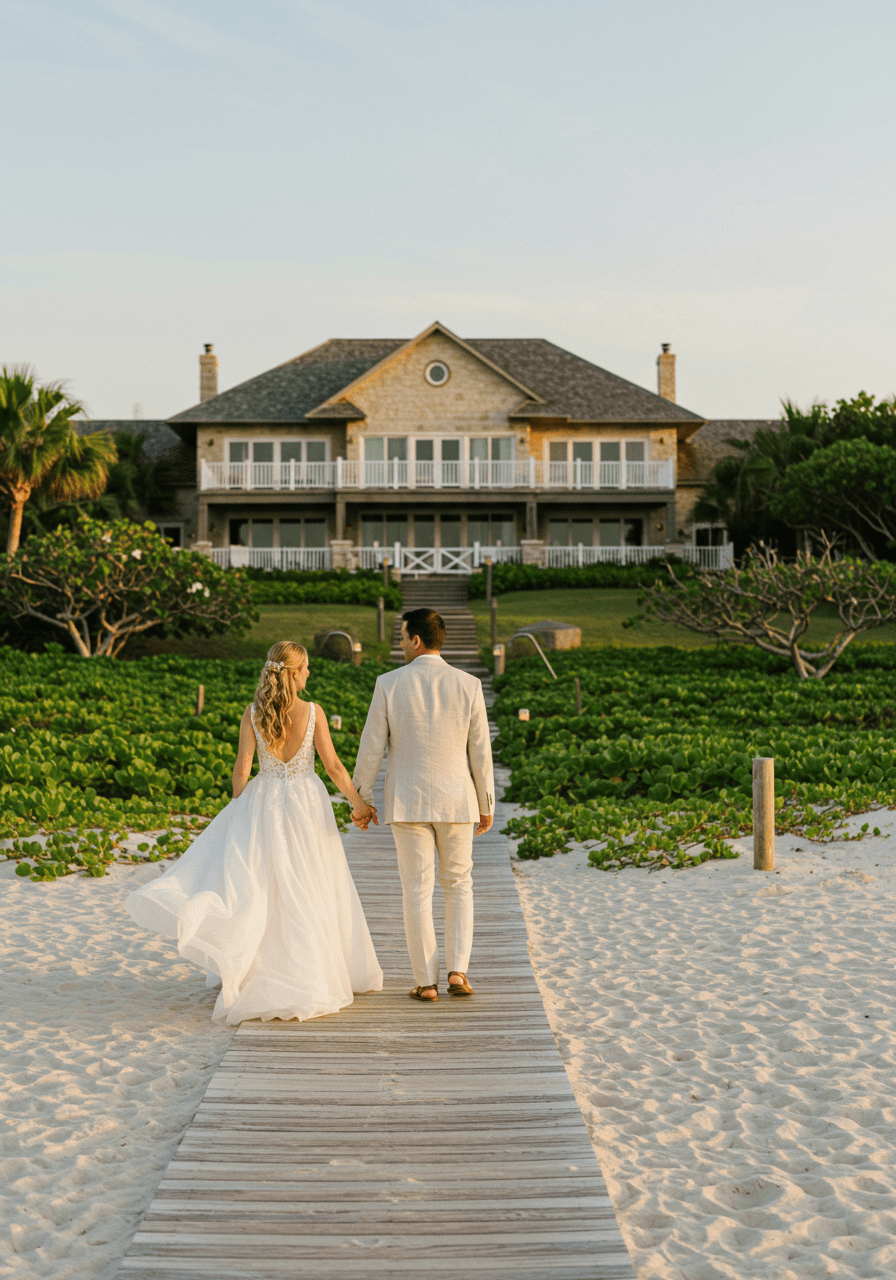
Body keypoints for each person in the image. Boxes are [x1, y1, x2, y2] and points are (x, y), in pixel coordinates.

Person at [126, 641, 383, 1025]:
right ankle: (311, 968)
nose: (310, 673)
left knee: (261, 884)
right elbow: (334, 768)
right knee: (308, 883)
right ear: (294, 673)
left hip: (264, 801)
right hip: (306, 804)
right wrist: (358, 804)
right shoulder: (313, 713)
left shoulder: (253, 713)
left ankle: (256, 968)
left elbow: (241, 771)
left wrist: (239, 808)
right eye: (306, 667)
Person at [352, 608, 494, 1003]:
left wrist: (361, 798)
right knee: (459, 885)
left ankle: (426, 983)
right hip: (458, 800)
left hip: (407, 801)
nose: (400, 645)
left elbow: (371, 747)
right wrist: (486, 803)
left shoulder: (388, 683)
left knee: (416, 890)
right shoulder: (469, 684)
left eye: (402, 638)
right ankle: (458, 972)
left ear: (416, 640)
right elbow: (480, 751)